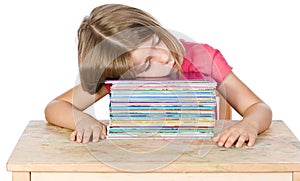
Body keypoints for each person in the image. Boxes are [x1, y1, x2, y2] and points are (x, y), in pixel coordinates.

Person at [44, 3, 272, 148]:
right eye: (146, 63)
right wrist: (83, 120)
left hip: (206, 156)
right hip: (147, 162)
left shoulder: (202, 58)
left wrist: (249, 124)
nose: (164, 57)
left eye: (156, 41)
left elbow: (258, 107)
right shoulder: (120, 75)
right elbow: (56, 106)